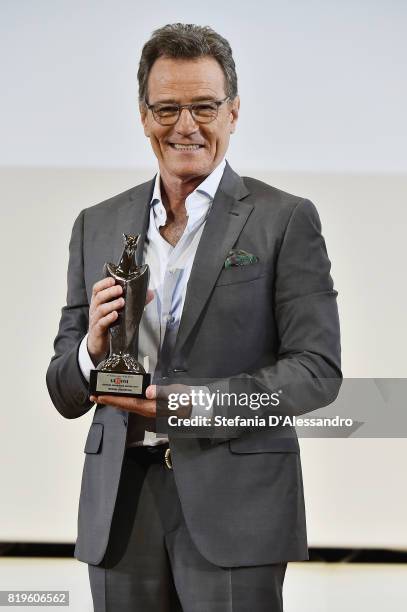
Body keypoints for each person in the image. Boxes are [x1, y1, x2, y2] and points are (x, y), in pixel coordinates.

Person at [46, 23, 341, 612]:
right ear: (143, 114)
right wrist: (92, 353)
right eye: (168, 109)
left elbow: (316, 373)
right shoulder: (96, 224)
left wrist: (187, 404)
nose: (186, 126)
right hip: (120, 507)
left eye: (204, 107)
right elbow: (63, 387)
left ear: (233, 112)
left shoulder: (284, 220)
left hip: (238, 509)